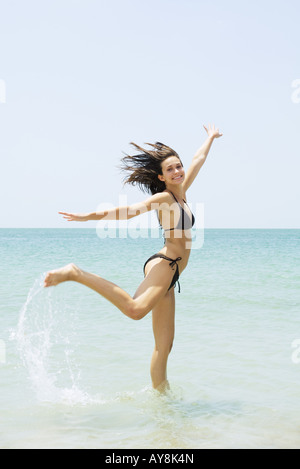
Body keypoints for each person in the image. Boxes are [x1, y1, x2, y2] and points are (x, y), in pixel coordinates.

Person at [44, 124, 222, 392]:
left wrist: (209, 138)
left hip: (172, 273)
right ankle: (74, 273)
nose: (177, 171)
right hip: (165, 263)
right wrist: (87, 216)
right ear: (161, 177)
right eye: (170, 169)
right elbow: (127, 211)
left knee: (164, 346)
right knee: (135, 310)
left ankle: (162, 402)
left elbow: (198, 159)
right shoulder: (164, 198)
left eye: (178, 166)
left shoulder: (182, 192)